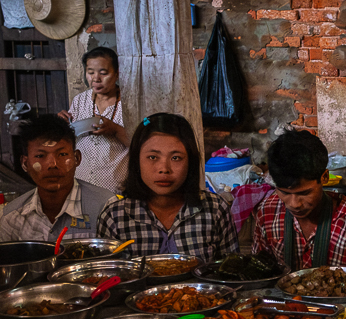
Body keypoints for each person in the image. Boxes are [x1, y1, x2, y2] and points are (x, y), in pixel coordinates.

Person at [96, 113, 238, 259]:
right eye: (153, 157)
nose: (164, 168)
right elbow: (108, 276)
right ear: (137, 161)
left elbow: (230, 275)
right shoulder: (115, 216)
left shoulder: (215, 209)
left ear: (191, 162)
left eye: (176, 158)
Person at [252, 130, 346, 272]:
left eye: (305, 193)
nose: (294, 204)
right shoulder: (267, 213)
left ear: (324, 177)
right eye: (284, 192)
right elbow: (259, 272)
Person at [0, 114, 113, 242]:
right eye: (40, 156)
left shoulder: (107, 208)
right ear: (25, 164)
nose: (52, 164)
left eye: (62, 154)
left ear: (77, 158)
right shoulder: (12, 217)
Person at [57, 47, 129, 193]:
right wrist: (60, 126)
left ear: (117, 74)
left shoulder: (130, 103)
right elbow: (68, 140)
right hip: (80, 185)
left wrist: (115, 130)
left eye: (103, 73)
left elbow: (142, 144)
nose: (96, 78)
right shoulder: (79, 101)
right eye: (90, 72)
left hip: (116, 187)